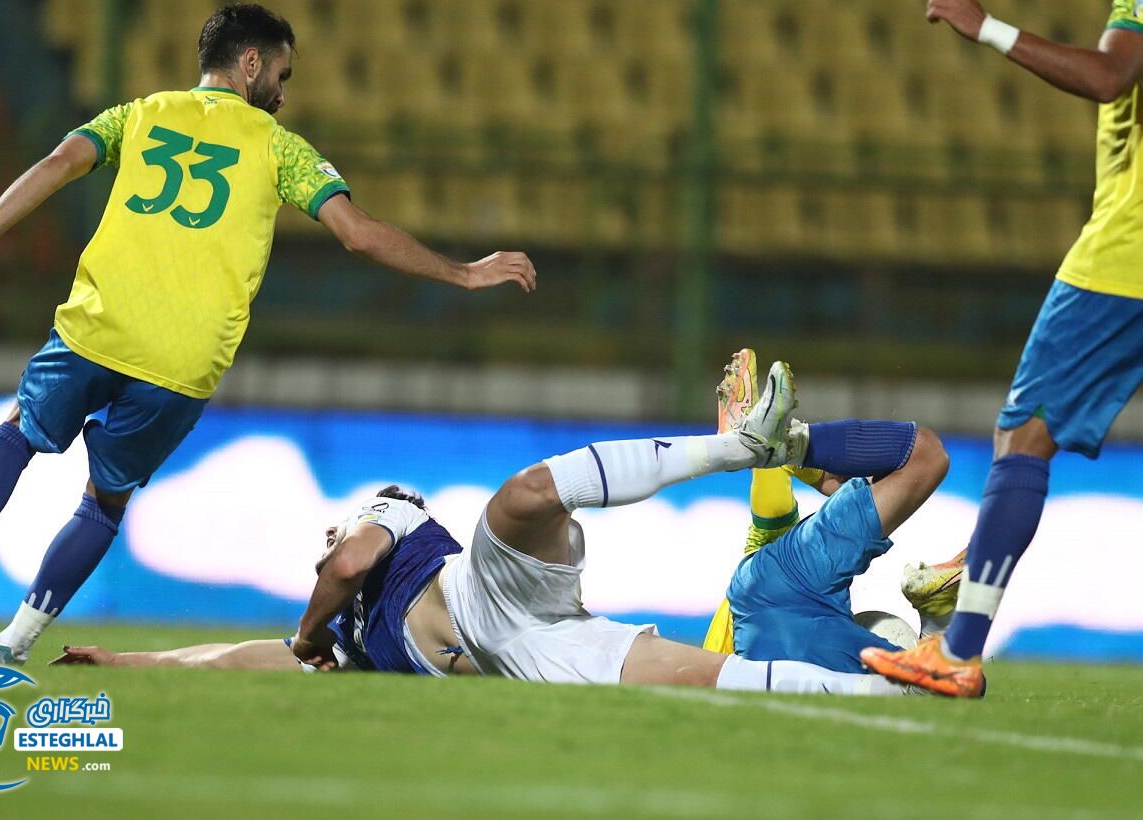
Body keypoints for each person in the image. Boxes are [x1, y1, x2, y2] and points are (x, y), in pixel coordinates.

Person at [0, 4, 536, 665]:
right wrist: (463, 272)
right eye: (281, 75)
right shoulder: (279, 148)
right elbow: (358, 235)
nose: (282, 93)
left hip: (97, 328)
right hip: (183, 363)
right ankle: (13, 644)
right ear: (250, 62)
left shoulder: (140, 114)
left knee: (19, 430)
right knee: (105, 500)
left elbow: (58, 162)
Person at [58, 361, 945, 697]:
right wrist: (130, 664)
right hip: (530, 650)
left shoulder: (386, 516)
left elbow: (346, 566)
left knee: (525, 494)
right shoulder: (353, 649)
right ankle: (898, 687)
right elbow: (234, 659)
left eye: (326, 535)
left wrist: (307, 632)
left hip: (486, 589)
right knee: (705, 679)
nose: (326, 543)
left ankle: (735, 446)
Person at [862, 0, 1143, 697]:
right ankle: (970, 580)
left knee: (1023, 438)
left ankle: (957, 650)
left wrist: (985, 26)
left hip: (1123, 265)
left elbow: (1110, 77)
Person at [702, 351, 966, 679]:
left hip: (773, 614)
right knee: (925, 456)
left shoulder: (866, 668)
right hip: (769, 589)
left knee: (943, 681)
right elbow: (771, 522)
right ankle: (774, 448)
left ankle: (772, 448)